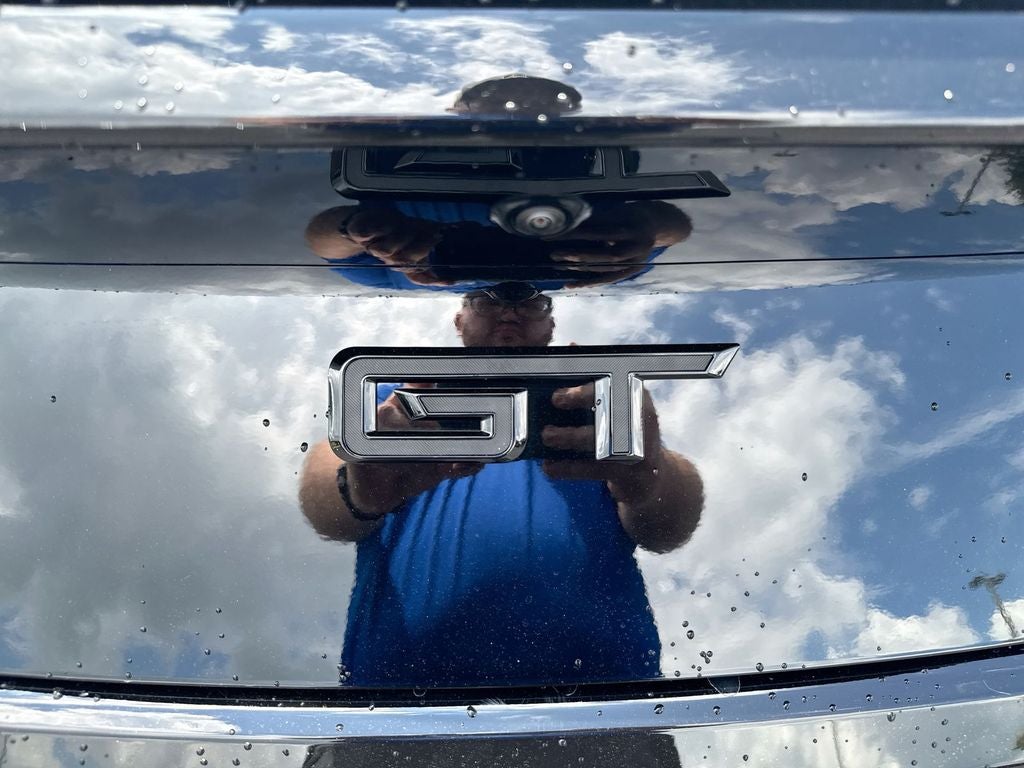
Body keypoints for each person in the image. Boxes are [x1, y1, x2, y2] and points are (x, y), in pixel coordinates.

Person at [299, 282, 704, 686]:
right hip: (392, 704)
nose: (509, 313)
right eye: (485, 300)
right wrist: (357, 488)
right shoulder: (400, 399)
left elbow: (668, 528)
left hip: (612, 702)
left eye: (531, 302)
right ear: (459, 321)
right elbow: (321, 481)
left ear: (551, 325)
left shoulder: (596, 404)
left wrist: (649, 476)